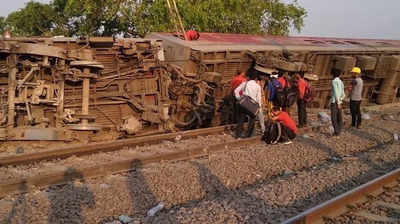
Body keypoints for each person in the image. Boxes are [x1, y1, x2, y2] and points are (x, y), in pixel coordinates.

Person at [234, 69, 261, 138]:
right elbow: (259, 99)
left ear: (249, 76)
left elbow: (236, 91)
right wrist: (259, 107)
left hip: (243, 103)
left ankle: (238, 134)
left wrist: (239, 98)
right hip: (252, 105)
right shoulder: (258, 86)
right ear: (255, 78)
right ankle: (248, 134)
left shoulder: (245, 83)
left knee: (241, 119)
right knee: (252, 120)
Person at [330, 70, 346, 136]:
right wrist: (341, 100)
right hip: (340, 101)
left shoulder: (334, 81)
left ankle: (336, 132)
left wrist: (338, 102)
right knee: (339, 117)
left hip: (335, 102)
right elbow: (343, 93)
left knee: (333, 117)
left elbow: (336, 92)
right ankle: (339, 130)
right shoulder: (341, 82)